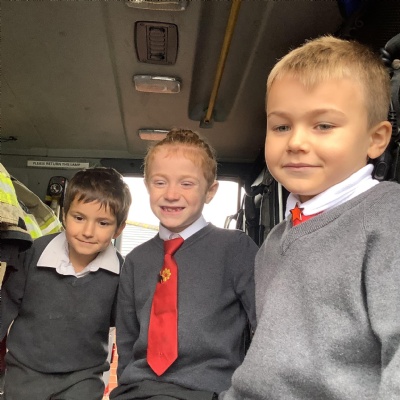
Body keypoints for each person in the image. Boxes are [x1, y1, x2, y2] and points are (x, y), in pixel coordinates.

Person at [220, 35, 400, 400]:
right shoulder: (274, 241)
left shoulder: (388, 219)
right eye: (281, 127)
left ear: (376, 139)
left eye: (323, 125)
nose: (296, 142)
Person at [110, 129, 258, 400]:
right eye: (160, 182)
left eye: (186, 184)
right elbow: (128, 337)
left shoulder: (236, 248)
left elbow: (266, 326)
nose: (171, 194)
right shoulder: (135, 260)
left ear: (210, 191)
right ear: (147, 187)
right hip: (140, 389)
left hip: (210, 390)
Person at [1, 167, 132, 400]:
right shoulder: (32, 253)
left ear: (119, 229)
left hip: (84, 379)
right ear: (65, 215)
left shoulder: (121, 273)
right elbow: (4, 309)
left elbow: (127, 331)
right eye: (79, 218)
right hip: (25, 375)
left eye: (103, 223)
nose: (88, 231)